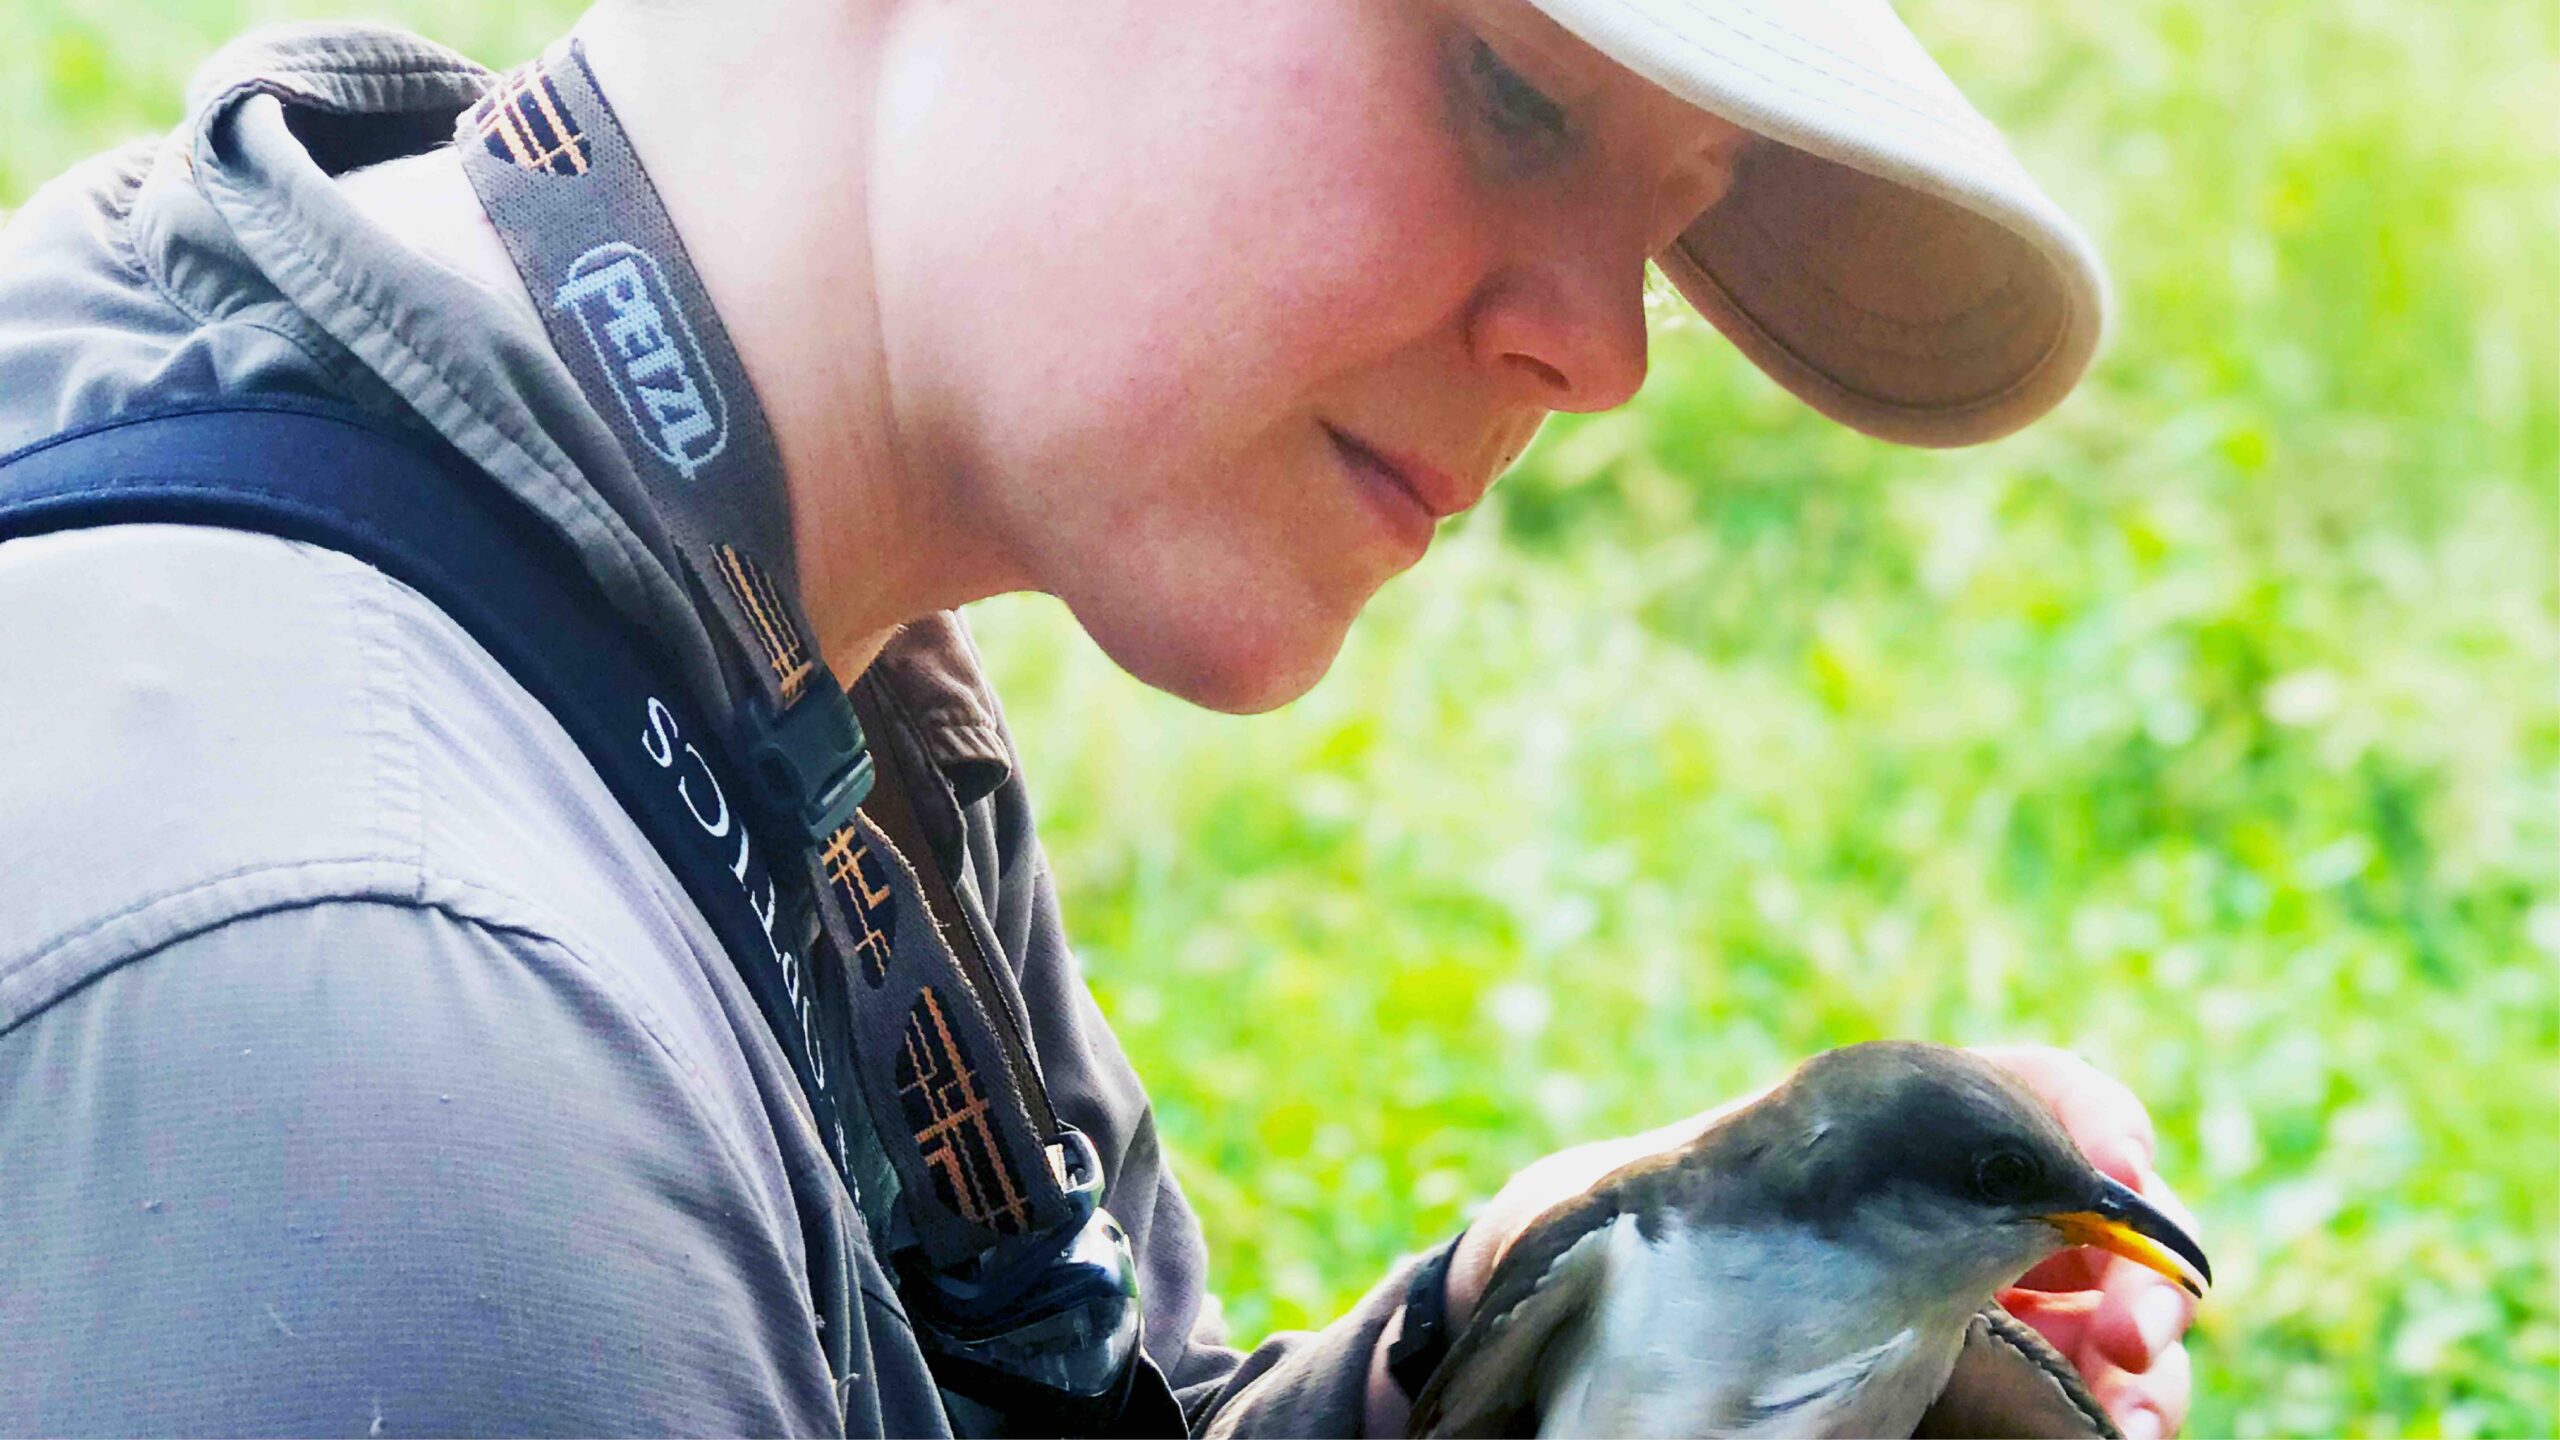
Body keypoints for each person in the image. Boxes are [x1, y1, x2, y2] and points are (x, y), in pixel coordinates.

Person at [0, 0, 2197, 1435]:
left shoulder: (729, 619)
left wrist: (1549, 1349)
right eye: (1509, 95)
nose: (1604, 352)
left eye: (1674, 227)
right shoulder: (389, 1032)